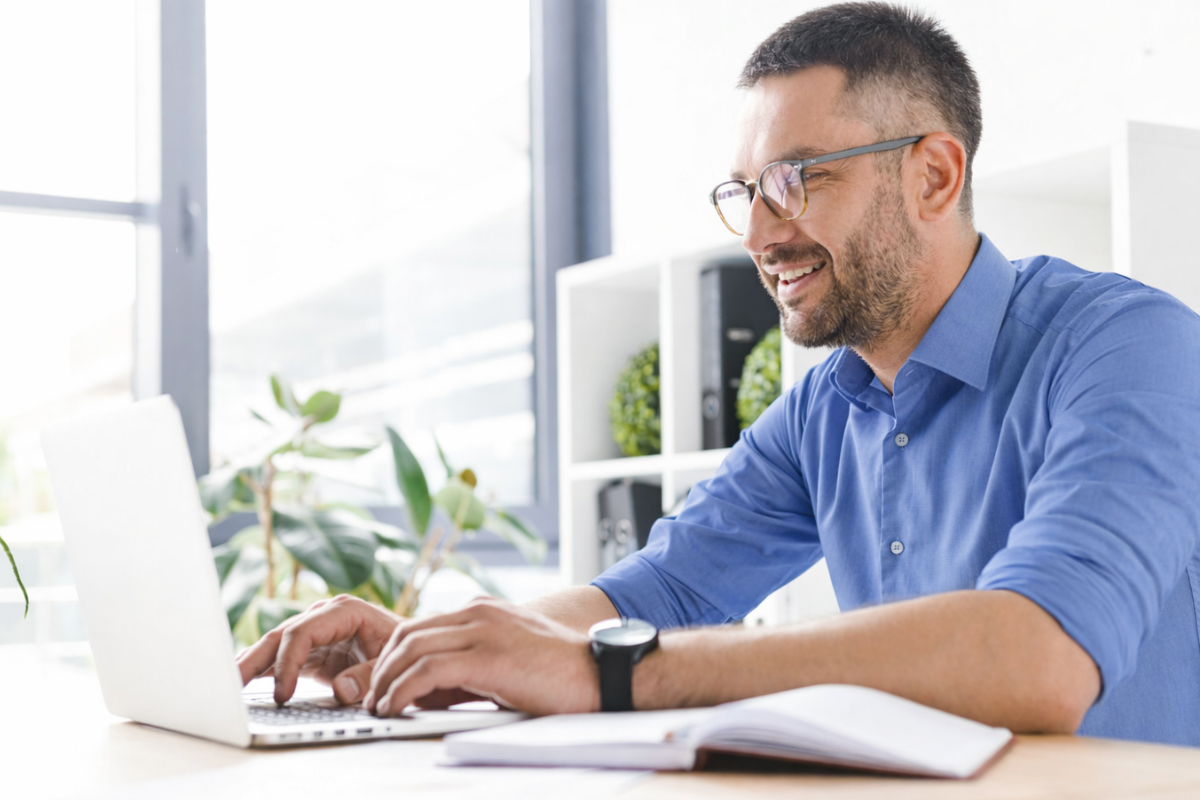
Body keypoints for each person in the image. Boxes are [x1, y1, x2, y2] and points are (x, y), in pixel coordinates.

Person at [237, 3, 1200, 745]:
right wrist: (444, 643)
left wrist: (617, 674)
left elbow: (1040, 656)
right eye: (745, 191)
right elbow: (657, 591)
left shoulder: (1127, 347)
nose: (759, 234)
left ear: (933, 177)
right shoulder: (824, 408)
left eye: (796, 180)